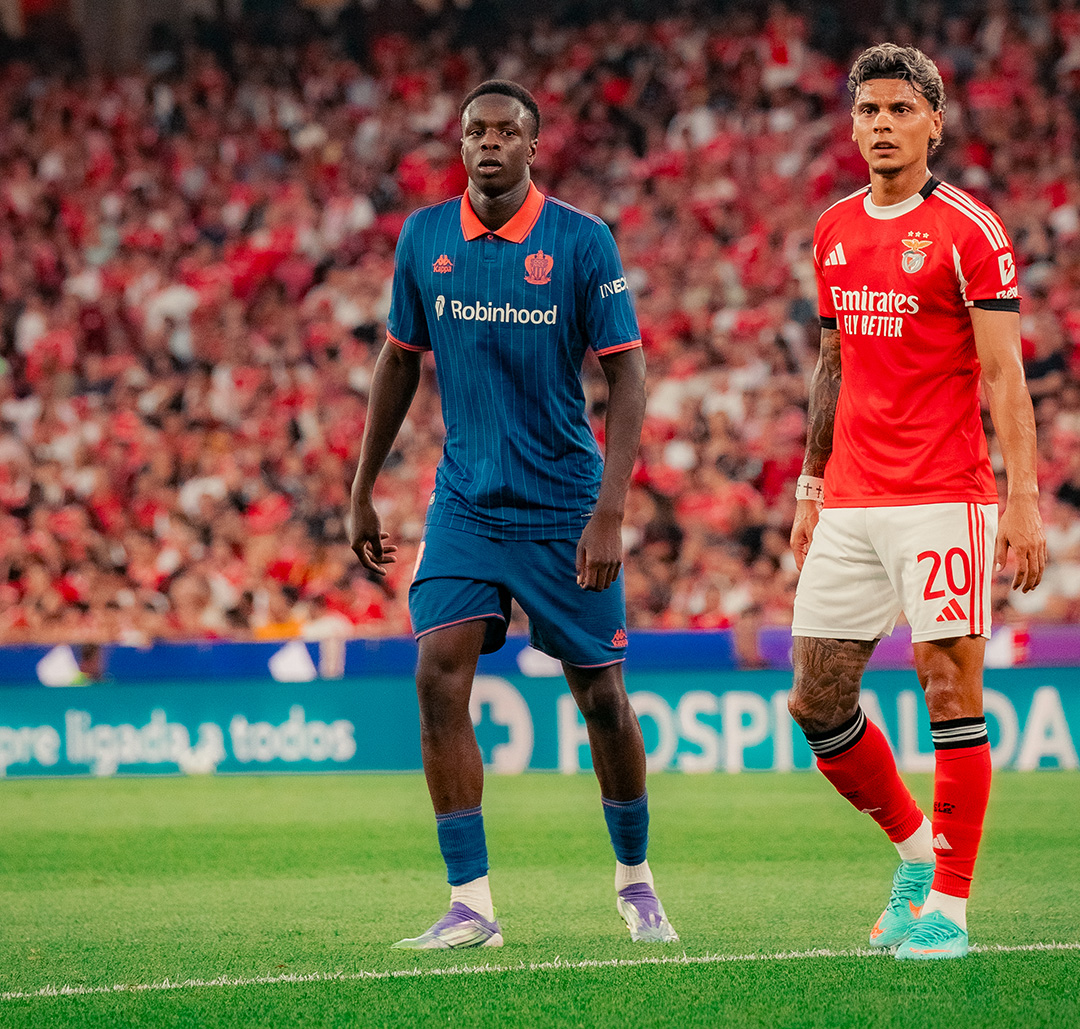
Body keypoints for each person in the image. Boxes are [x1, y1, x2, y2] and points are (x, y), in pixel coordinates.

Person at [349, 80, 677, 949]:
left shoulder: (580, 240)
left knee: (601, 698)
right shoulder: (424, 238)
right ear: (460, 144)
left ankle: (636, 879)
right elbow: (398, 360)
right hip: (465, 502)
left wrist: (610, 510)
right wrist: (361, 486)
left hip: (565, 505)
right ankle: (471, 904)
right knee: (436, 675)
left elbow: (628, 372)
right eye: (475, 131)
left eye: (505, 132)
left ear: (534, 146)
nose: (488, 143)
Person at [788, 44, 1046, 961]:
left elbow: (1005, 374)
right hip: (851, 496)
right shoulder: (831, 229)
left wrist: (1023, 498)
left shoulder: (971, 230)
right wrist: (811, 485)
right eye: (870, 110)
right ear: (852, 124)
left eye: (902, 109)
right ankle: (911, 851)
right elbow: (832, 364)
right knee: (815, 701)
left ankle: (951, 907)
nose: (883, 124)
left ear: (935, 122)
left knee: (947, 686)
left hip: (943, 493)